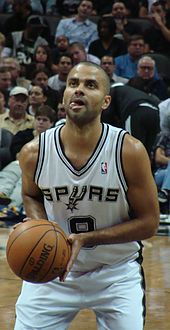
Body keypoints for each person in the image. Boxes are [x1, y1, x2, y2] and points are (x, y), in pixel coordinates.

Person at [14, 61, 159, 330]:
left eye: (90, 85)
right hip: (53, 272)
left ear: (105, 101)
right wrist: (43, 227)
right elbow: (30, 194)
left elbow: (149, 222)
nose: (79, 90)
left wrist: (88, 238)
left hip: (115, 272)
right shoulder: (34, 152)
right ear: (64, 96)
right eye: (73, 84)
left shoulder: (128, 151)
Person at [102, 83, 160, 156]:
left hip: (136, 110)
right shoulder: (127, 90)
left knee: (132, 147)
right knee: (147, 150)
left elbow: (108, 116)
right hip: (154, 111)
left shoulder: (112, 92)